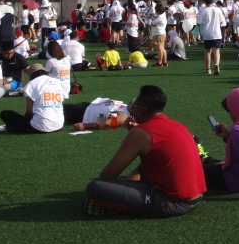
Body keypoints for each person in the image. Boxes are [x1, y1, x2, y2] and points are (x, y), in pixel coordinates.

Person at [84, 85, 206, 217]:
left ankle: (122, 203)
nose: (132, 111)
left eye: (134, 107)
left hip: (173, 202)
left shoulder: (141, 133)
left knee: (95, 187)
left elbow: (107, 175)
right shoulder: (178, 125)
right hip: (197, 196)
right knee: (144, 168)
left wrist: (135, 135)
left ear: (142, 111)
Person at [0, 64, 66, 134]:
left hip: (39, 127)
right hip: (59, 125)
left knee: (5, 114)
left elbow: (29, 112)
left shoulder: (32, 83)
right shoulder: (58, 82)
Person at [198, 0, 227, 75]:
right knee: (217, 51)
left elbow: (199, 22)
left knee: (207, 51)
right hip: (217, 33)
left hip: (207, 33)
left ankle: (208, 69)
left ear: (204, 1)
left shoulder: (203, 11)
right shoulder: (218, 10)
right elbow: (223, 23)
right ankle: (217, 65)